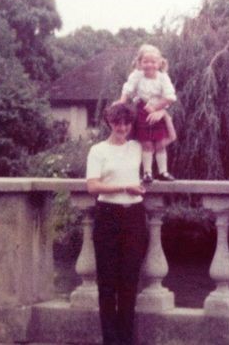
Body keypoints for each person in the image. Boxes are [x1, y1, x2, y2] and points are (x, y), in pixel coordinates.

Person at [86, 102, 147, 345]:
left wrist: (162, 110)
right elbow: (92, 186)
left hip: (134, 217)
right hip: (108, 216)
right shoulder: (98, 150)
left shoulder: (137, 147)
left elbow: (169, 136)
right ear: (109, 122)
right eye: (117, 122)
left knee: (130, 282)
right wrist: (124, 187)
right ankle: (110, 341)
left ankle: (126, 340)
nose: (122, 127)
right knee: (108, 283)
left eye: (126, 123)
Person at [119, 44, 177, 183]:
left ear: (159, 63)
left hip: (158, 109)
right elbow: (128, 89)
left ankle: (163, 172)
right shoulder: (137, 75)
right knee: (146, 144)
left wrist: (157, 108)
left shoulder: (163, 77)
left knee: (160, 144)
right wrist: (121, 101)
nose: (149, 65)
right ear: (140, 63)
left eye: (153, 62)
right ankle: (147, 173)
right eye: (146, 61)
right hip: (142, 109)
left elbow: (170, 97)